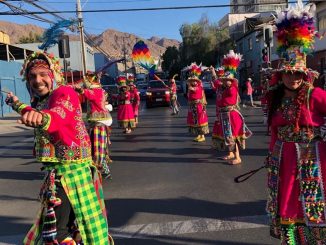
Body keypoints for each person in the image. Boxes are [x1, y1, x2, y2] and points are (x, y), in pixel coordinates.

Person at [5, 52, 112, 244]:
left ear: (53, 74)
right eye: (32, 76)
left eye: (43, 74)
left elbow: (58, 114)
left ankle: (103, 164)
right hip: (61, 173)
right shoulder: (43, 100)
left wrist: (43, 118)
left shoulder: (64, 93)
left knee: (57, 233)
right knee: (71, 229)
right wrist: (16, 104)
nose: (37, 80)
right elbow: (35, 112)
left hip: (70, 175)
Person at [265, 2, 326, 243]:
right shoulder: (274, 98)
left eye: (298, 73)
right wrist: (271, 156)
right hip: (284, 157)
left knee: (313, 203)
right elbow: (274, 131)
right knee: (287, 203)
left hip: (313, 155)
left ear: (305, 74)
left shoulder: (315, 95)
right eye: (289, 73)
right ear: (282, 74)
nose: (294, 78)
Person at [210, 51, 252, 165]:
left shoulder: (232, 89)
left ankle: (238, 157)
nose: (226, 82)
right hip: (224, 115)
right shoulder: (222, 87)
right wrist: (213, 72)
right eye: (224, 80)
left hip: (231, 116)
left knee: (232, 136)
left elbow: (221, 85)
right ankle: (231, 153)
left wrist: (228, 76)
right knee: (227, 135)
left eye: (228, 80)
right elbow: (216, 81)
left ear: (232, 81)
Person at [74, 71, 113, 179]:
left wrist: (79, 89)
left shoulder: (96, 91)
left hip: (99, 124)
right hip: (96, 124)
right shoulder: (99, 90)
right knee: (95, 148)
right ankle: (104, 171)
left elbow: (86, 93)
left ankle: (99, 169)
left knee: (97, 148)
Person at [186, 63, 209, 142]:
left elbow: (192, 89)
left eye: (194, 81)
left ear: (197, 81)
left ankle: (202, 136)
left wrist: (189, 85)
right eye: (192, 81)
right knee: (196, 121)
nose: (193, 82)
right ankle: (199, 135)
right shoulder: (192, 87)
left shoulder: (198, 87)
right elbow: (189, 95)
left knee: (200, 120)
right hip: (193, 106)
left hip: (198, 106)